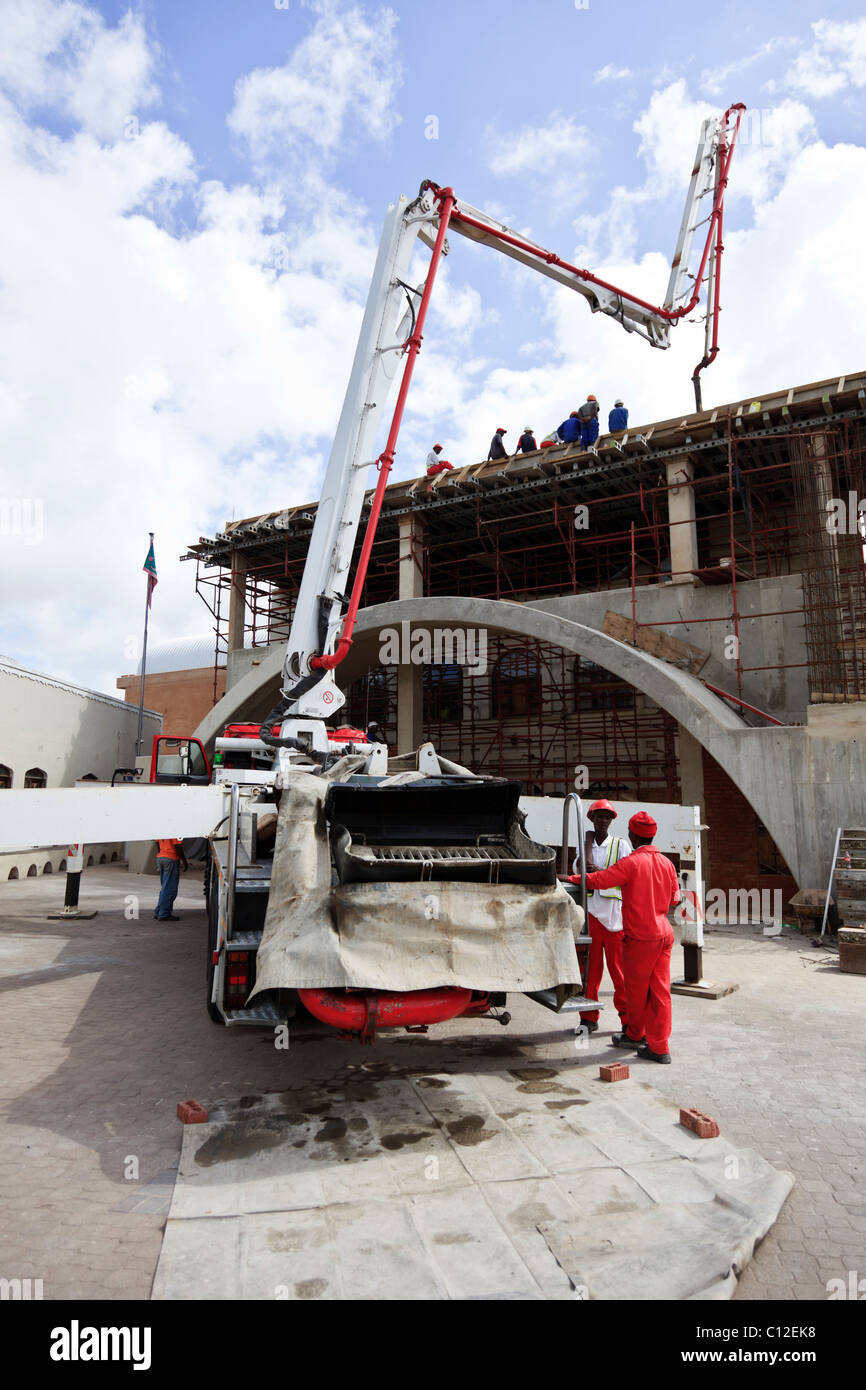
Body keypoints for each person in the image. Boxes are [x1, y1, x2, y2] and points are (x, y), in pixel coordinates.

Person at [568, 809, 679, 1063]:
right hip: (664, 934)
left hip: (640, 937)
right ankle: (659, 1046)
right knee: (660, 991)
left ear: (632, 835)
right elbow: (675, 898)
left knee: (636, 992)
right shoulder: (667, 863)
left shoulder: (631, 863)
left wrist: (571, 877)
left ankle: (635, 1035)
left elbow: (600, 880)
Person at [574, 800, 630, 1035]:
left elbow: (627, 875)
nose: (603, 820)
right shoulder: (584, 845)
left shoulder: (621, 846)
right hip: (593, 915)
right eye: (599, 816)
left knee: (620, 973)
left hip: (615, 918)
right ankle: (588, 1018)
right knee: (590, 972)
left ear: (612, 820)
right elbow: (579, 870)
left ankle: (628, 1020)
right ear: (592, 819)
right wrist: (587, 863)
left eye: (607, 817)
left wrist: (600, 873)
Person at [154, 837, 187, 921]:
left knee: (164, 887)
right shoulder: (174, 828)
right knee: (169, 888)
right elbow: (177, 846)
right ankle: (164, 913)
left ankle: (158, 911)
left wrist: (162, 854)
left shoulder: (161, 828)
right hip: (171, 858)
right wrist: (184, 861)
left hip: (161, 857)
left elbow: (157, 843)